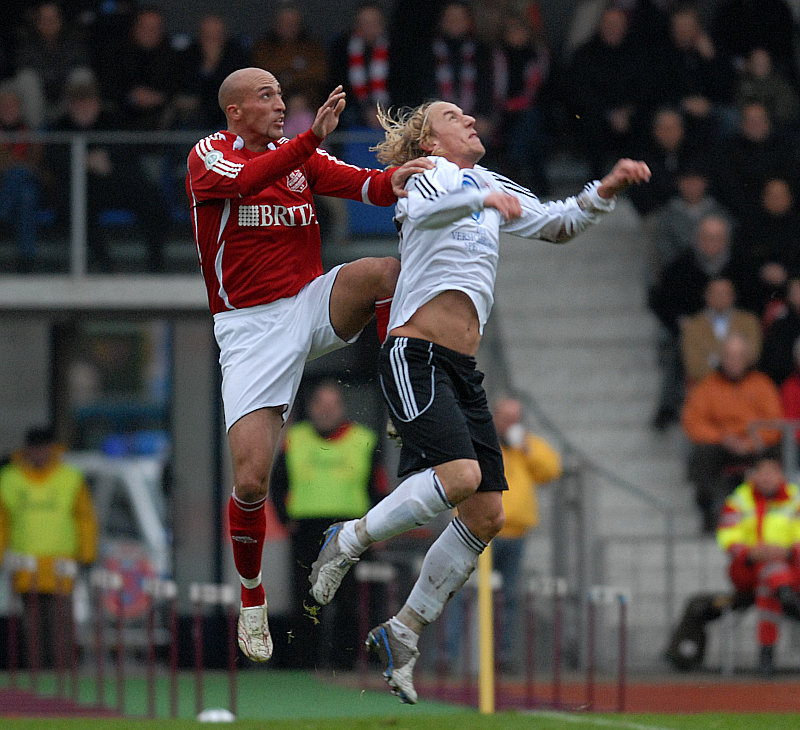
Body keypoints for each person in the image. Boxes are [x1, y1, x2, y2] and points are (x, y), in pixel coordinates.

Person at [306, 98, 650, 703]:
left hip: (461, 368)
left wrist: (607, 188)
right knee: (461, 476)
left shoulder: (486, 180)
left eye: (470, 113)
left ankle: (404, 630)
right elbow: (427, 217)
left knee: (487, 513)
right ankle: (350, 538)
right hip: (415, 355)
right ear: (429, 141)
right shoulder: (427, 176)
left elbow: (557, 223)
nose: (470, 119)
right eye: (453, 115)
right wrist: (478, 201)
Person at [184, 67, 431, 664]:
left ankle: (400, 393)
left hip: (308, 300)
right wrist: (308, 139)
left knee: (388, 274)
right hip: (248, 329)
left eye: (279, 94)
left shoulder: (297, 158)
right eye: (265, 96)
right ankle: (251, 597)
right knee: (249, 481)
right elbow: (247, 179)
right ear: (236, 111)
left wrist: (403, 177)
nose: (278, 103)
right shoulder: (210, 155)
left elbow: (367, 187)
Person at [270, 379, 387, 669]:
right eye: (320, 404)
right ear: (310, 408)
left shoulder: (363, 439)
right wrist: (286, 521)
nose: (325, 410)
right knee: (307, 598)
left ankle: (344, 663)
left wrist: (379, 529)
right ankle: (305, 663)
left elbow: (379, 488)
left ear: (342, 408)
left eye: (331, 404)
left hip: (351, 530)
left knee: (349, 600)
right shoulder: (295, 438)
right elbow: (277, 484)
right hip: (307, 529)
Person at [47, 71, 172, 272]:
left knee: (152, 199)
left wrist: (108, 158)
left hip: (117, 185)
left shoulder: (112, 122)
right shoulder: (60, 128)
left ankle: (156, 263)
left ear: (96, 102)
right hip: (82, 192)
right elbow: (53, 159)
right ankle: (103, 264)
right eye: (77, 101)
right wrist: (83, 161)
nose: (83, 106)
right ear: (70, 104)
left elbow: (130, 150)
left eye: (87, 100)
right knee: (72, 206)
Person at [0, 426, 97, 669]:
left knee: (60, 624)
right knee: (31, 627)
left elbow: (85, 519)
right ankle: (36, 676)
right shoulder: (10, 478)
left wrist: (86, 554)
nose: (40, 454)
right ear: (27, 451)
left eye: (44, 449)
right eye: (35, 449)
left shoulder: (69, 477)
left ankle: (62, 675)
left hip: (61, 564)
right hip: (26, 565)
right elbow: (2, 522)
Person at [682, 332, 784, 533]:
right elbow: (693, 422)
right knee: (702, 456)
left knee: (774, 453)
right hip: (722, 444)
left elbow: (774, 423)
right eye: (729, 356)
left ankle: (770, 516)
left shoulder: (761, 384)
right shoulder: (708, 386)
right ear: (721, 358)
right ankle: (710, 512)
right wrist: (722, 438)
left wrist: (749, 443)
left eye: (739, 356)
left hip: (754, 443)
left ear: (747, 358)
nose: (734, 362)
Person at [717, 456, 800, 675]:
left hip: (790, 567)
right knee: (770, 572)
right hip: (747, 569)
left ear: (781, 475)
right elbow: (727, 536)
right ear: (752, 476)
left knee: (769, 584)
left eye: (771, 472)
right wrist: (751, 553)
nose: (766, 478)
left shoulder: (795, 499)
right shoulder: (739, 499)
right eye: (761, 472)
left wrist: (789, 552)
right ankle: (788, 600)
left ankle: (766, 655)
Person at [680, 277, 762, 385]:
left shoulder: (749, 322)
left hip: (744, 386)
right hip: (707, 388)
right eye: (715, 293)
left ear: (733, 296)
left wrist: (714, 360)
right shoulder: (694, 327)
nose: (720, 297)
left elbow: (753, 355)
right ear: (706, 296)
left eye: (725, 293)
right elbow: (693, 365)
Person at [0, 79, 42, 273]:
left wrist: (9, 160)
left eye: (13, 104)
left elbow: (34, 166)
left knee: (25, 185)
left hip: (20, 184)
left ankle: (2, 213)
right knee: (26, 194)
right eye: (4, 105)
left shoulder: (31, 133)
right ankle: (27, 258)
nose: (8, 109)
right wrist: (16, 161)